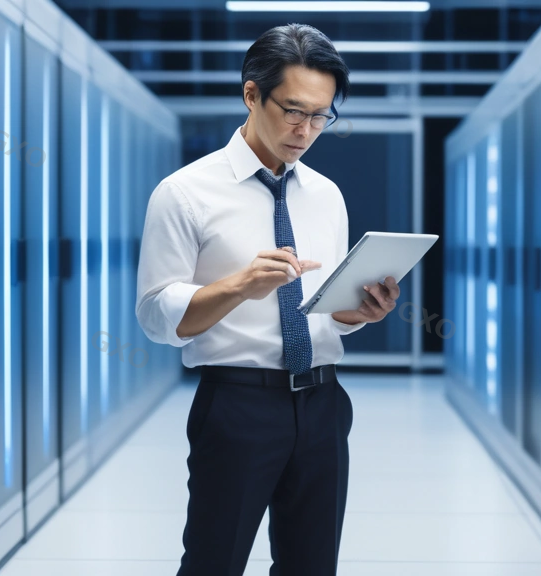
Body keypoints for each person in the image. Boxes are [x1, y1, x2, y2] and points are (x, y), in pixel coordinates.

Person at [135, 23, 401, 576]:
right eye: (293, 111)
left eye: (322, 116)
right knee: (214, 562)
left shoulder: (326, 195)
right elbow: (156, 316)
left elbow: (324, 310)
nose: (306, 131)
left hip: (324, 404)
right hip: (237, 406)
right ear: (251, 94)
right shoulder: (185, 193)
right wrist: (240, 285)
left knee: (312, 566)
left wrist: (359, 312)